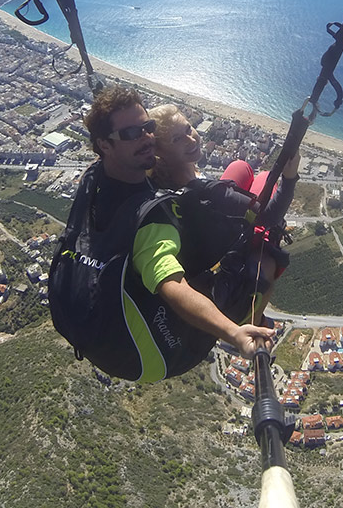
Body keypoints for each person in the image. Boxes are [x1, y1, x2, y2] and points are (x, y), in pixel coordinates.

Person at [49, 85, 275, 382]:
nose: (146, 138)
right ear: (104, 144)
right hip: (152, 355)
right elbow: (171, 284)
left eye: (148, 127)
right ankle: (249, 314)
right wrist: (233, 333)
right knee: (267, 255)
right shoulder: (150, 216)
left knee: (240, 173)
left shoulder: (93, 178)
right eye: (131, 133)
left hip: (94, 329)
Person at [146, 103, 300, 323]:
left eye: (188, 129)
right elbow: (271, 216)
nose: (190, 139)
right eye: (177, 139)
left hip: (202, 235)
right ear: (160, 151)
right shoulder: (211, 194)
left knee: (240, 167)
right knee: (266, 179)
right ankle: (253, 315)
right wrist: (289, 178)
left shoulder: (160, 178)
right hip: (222, 261)